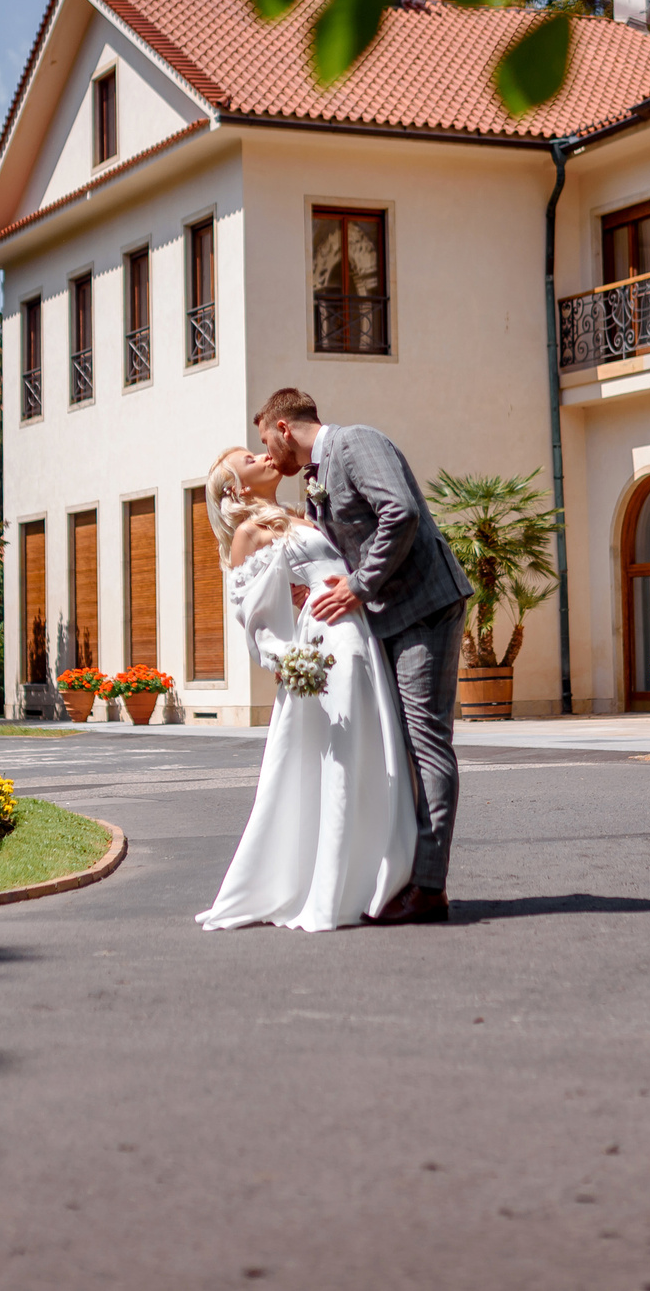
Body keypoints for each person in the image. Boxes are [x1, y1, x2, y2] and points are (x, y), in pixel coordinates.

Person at [251, 387, 472, 926]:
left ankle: (427, 887)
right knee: (398, 745)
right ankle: (399, 874)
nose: (265, 454)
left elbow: (401, 513)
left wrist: (356, 586)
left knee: (425, 742)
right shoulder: (313, 481)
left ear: (284, 428)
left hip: (424, 607)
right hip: (386, 620)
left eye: (264, 440)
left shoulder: (355, 443)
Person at [195, 445, 416, 931]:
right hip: (326, 640)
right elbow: (250, 615)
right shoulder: (249, 534)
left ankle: (372, 876)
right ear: (237, 488)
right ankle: (334, 884)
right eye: (250, 458)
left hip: (357, 628)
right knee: (339, 751)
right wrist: (287, 659)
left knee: (370, 747)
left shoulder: (303, 516)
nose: (263, 456)